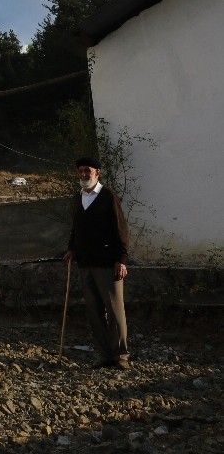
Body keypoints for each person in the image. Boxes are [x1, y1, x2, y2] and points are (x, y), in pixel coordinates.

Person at [63, 155, 130, 369]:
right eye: (81, 171)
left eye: (88, 171)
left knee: (115, 311)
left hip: (108, 263)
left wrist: (121, 259)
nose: (84, 174)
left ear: (97, 173)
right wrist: (71, 249)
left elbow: (120, 228)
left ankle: (121, 355)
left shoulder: (108, 196)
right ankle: (104, 355)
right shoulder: (78, 198)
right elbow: (76, 228)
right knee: (94, 311)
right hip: (85, 263)